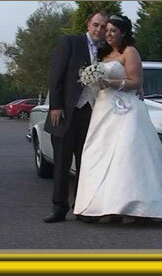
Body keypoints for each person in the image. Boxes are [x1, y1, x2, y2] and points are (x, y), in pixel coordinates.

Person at [74, 15, 162, 224]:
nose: (108, 33)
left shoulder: (130, 52)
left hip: (125, 109)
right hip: (102, 110)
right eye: (106, 30)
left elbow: (136, 82)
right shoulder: (103, 53)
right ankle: (101, 206)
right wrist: (95, 82)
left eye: (113, 31)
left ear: (123, 33)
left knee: (127, 155)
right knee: (98, 153)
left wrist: (109, 82)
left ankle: (135, 207)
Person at [42, 11, 109, 223]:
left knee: (85, 162)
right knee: (61, 162)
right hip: (66, 112)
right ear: (88, 24)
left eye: (103, 27)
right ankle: (59, 208)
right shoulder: (70, 43)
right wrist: (55, 105)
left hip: (93, 114)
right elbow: (56, 75)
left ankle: (81, 208)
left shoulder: (107, 51)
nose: (99, 29)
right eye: (96, 25)